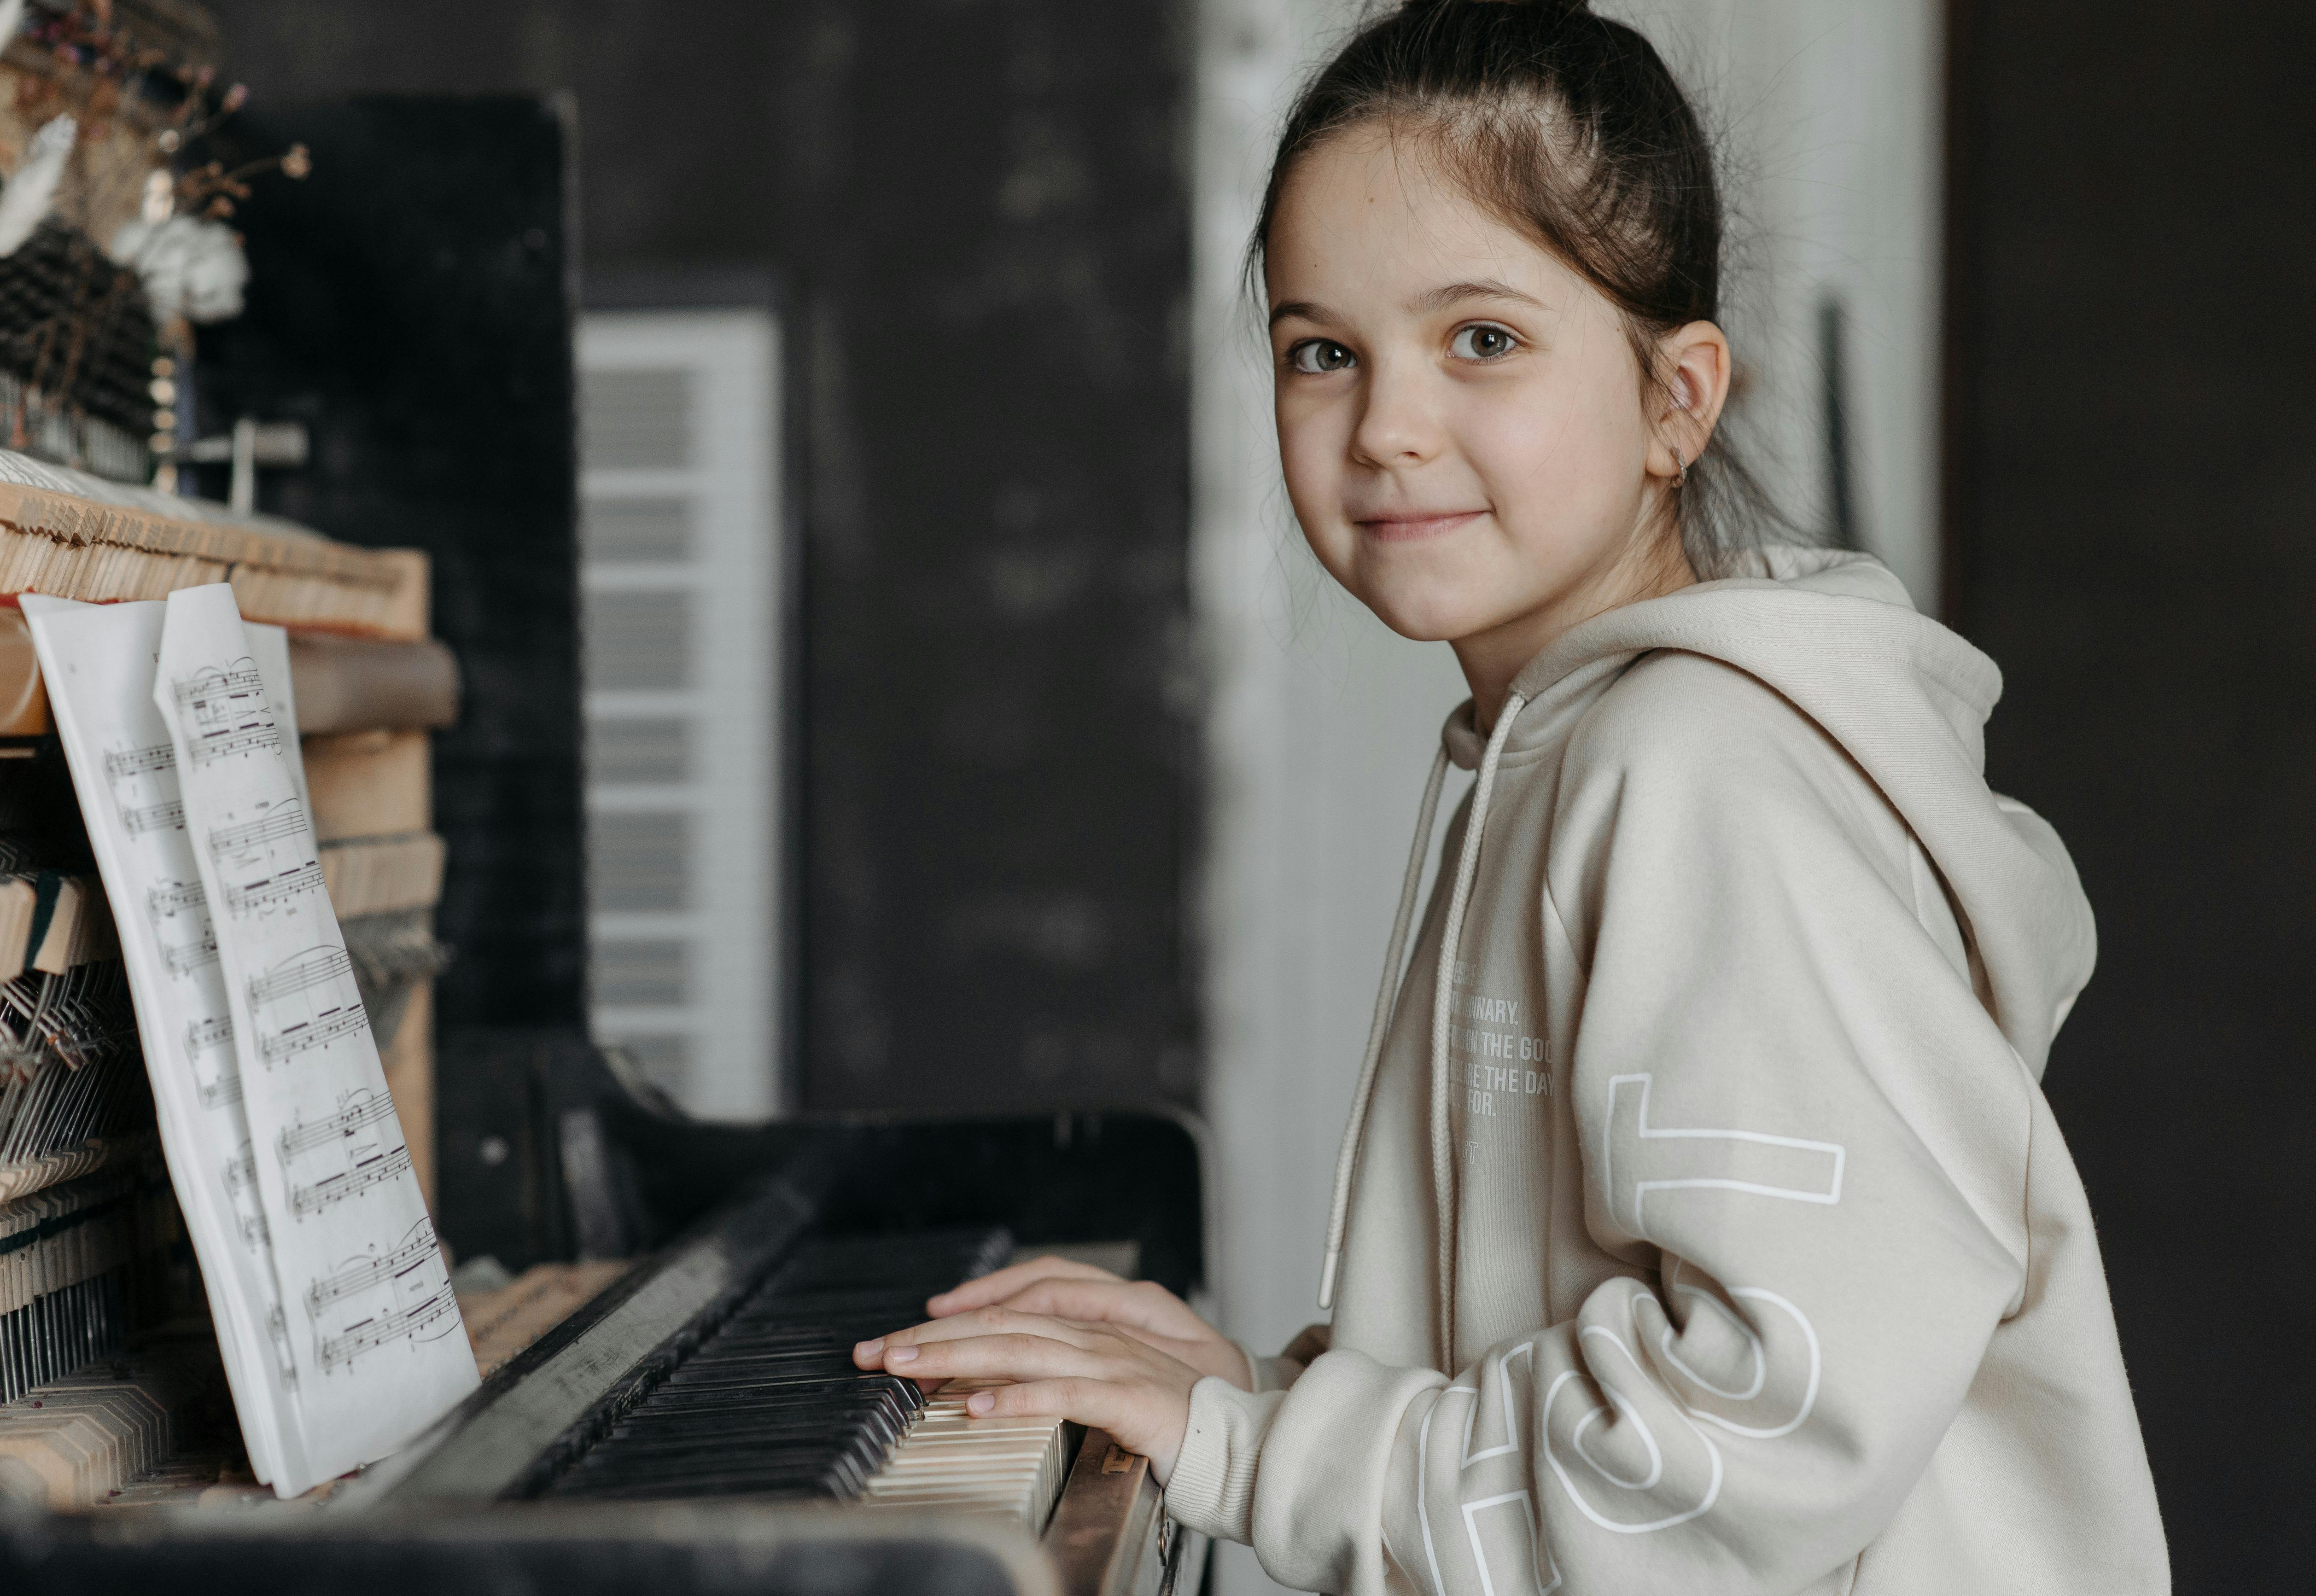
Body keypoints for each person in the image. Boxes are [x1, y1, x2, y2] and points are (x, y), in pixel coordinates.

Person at [853, 2, 2167, 1590]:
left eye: (1482, 337)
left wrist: (1265, 1451)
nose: (1388, 427)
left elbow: (1763, 1435)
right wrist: (1257, 1388)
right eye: (1321, 351)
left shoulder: (1697, 769)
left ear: (1677, 401)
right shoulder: (1549, 744)